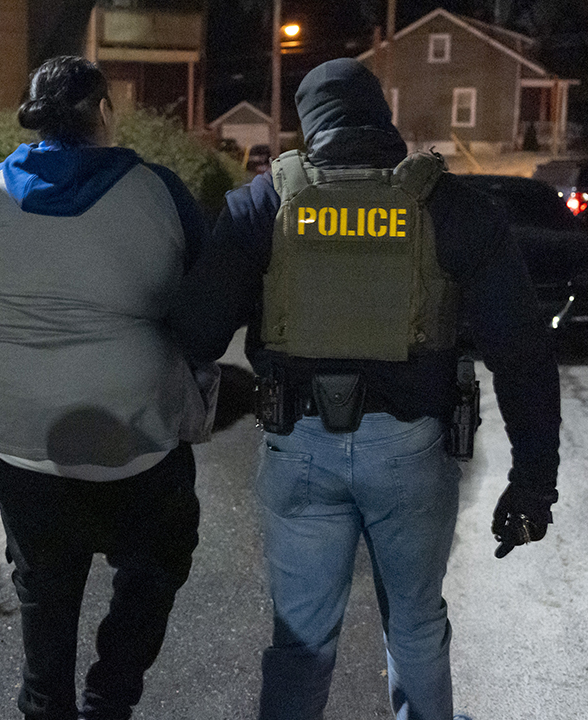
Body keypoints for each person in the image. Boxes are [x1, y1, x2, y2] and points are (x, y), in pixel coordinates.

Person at [167, 59, 561, 720]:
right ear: (381, 119)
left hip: (298, 447)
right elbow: (521, 353)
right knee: (415, 632)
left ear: (309, 122)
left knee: (300, 644)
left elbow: (196, 331)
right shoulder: (451, 206)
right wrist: (533, 482)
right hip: (410, 451)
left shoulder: (265, 203)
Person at [0, 56, 210, 720]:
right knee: (158, 560)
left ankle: (46, 705)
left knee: (42, 581)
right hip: (133, 437)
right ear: (102, 112)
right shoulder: (156, 189)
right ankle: (111, 695)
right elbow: (204, 298)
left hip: (16, 436)